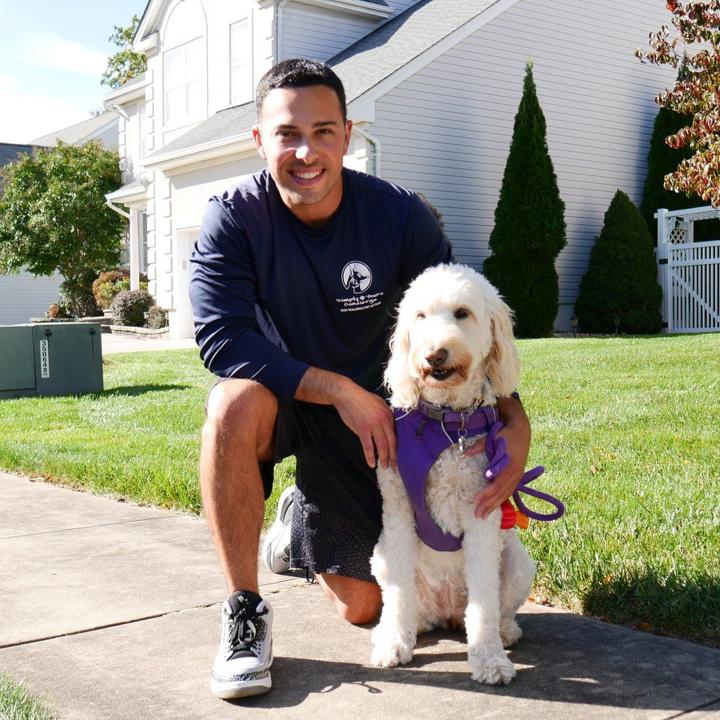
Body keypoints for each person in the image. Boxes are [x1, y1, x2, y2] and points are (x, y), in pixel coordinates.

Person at [189, 58, 532, 700]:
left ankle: (297, 530)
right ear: (259, 140)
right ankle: (243, 611)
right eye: (287, 133)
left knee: (364, 608)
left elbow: (459, 327)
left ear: (347, 135)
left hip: (389, 424)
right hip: (295, 400)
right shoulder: (231, 219)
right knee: (230, 403)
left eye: (323, 131)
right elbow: (221, 338)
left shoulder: (399, 216)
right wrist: (341, 391)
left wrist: (516, 420)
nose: (306, 151)